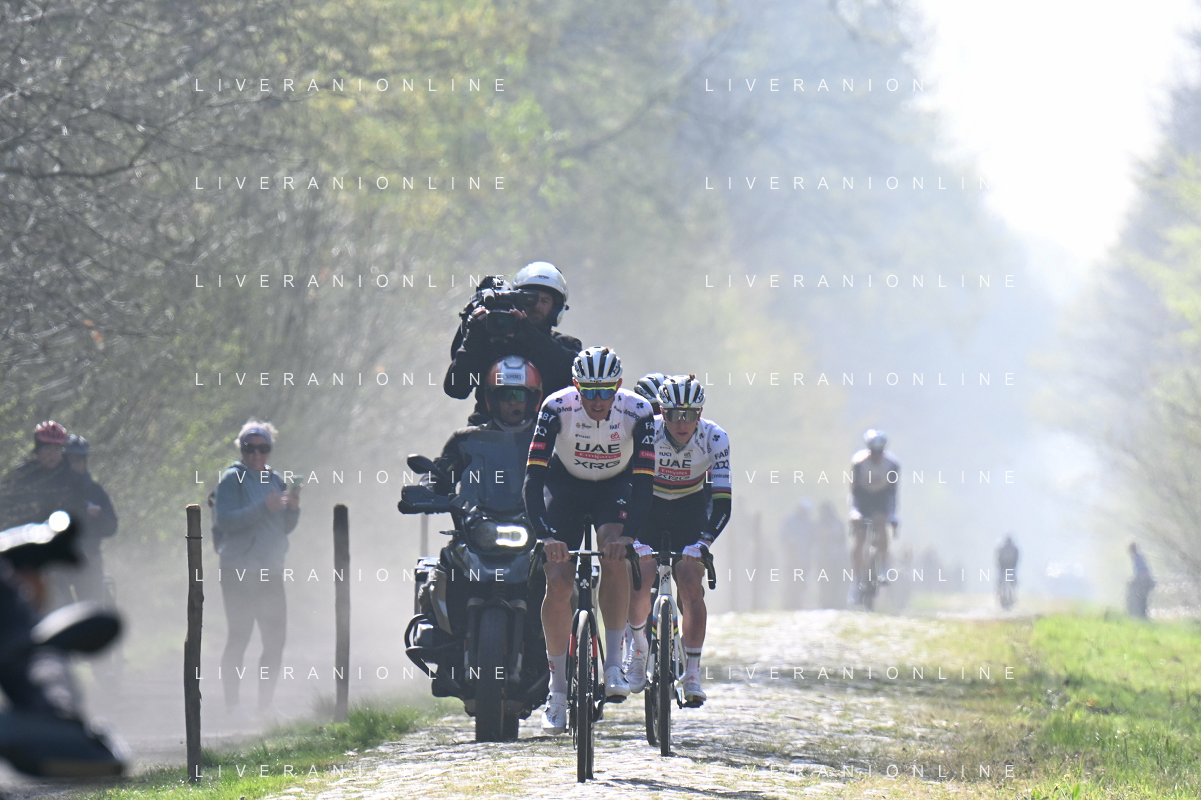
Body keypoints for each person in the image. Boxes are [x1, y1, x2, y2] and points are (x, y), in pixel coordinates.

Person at [523, 346, 655, 734]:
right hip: (564, 488)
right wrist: (546, 535)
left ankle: (613, 664)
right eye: (589, 392)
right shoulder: (555, 407)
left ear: (619, 386)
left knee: (614, 554)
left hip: (614, 488)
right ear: (576, 387)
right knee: (558, 581)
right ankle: (557, 691)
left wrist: (629, 536)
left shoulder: (638, 411)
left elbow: (645, 482)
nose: (597, 401)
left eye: (605, 391)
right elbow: (532, 478)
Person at [623, 375, 731, 707]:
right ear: (662, 412)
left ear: (700, 413)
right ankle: (638, 650)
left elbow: (722, 503)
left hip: (689, 512)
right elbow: (624, 489)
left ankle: (693, 673)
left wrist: (703, 543)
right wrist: (631, 537)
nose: (681, 423)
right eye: (672, 414)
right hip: (648, 510)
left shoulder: (715, 438)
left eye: (689, 415)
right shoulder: (645, 433)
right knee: (640, 578)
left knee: (690, 582)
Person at [211, 420, 300, 714]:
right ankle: (233, 705)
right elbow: (225, 521)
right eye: (249, 448)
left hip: (270, 570)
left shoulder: (276, 480)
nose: (256, 454)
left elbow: (284, 528)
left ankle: (265, 706)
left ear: (270, 450)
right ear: (241, 449)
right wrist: (264, 507)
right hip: (238, 570)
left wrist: (293, 509)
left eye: (263, 448)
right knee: (239, 636)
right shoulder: (231, 479)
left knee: (275, 641)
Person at [444, 263, 582, 425]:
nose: (537, 306)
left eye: (545, 301)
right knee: (457, 440)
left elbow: (576, 380)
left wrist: (531, 335)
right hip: (485, 434)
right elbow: (456, 389)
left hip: (546, 436)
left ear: (555, 308)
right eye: (530, 298)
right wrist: (474, 336)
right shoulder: (491, 342)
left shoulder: (566, 345)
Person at [432, 356, 544, 494]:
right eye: (505, 394)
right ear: (493, 398)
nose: (512, 402)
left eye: (519, 395)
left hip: (535, 509)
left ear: (532, 399)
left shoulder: (550, 441)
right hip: (477, 508)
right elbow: (439, 474)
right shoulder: (466, 441)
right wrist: (427, 488)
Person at [44, 435, 118, 609]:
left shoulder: (95, 491)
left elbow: (112, 527)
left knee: (93, 608)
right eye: (71, 460)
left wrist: (99, 516)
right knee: (59, 608)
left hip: (89, 559)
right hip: (59, 561)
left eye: (79, 460)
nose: (75, 465)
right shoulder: (52, 490)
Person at [0, 421, 89, 537]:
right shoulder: (20, 475)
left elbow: (80, 513)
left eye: (57, 449)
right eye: (48, 448)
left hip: (59, 539)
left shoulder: (73, 478)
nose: (52, 454)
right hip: (23, 537)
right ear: (38, 450)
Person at [848, 429, 900, 605]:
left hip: (881, 498)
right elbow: (854, 492)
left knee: (882, 525)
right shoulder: (859, 462)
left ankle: (883, 568)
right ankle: (856, 582)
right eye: (873, 452)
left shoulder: (892, 464)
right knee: (859, 539)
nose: (876, 456)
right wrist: (854, 512)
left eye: (879, 452)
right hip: (863, 499)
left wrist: (892, 516)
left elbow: (892, 493)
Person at [1126, 542, 1155, 619]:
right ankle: (1137, 614)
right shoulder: (1136, 558)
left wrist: (1142, 581)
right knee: (1140, 599)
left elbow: (1144, 571)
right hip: (1141, 581)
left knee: (1142, 599)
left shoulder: (1138, 558)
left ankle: (1142, 615)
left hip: (1144, 582)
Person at [996, 534, 1019, 608]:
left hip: (1005, 568)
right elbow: (1016, 559)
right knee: (1007, 581)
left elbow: (998, 558)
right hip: (1009, 568)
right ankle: (1004, 596)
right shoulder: (1014, 549)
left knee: (1003, 582)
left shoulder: (1002, 548)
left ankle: (1003, 596)